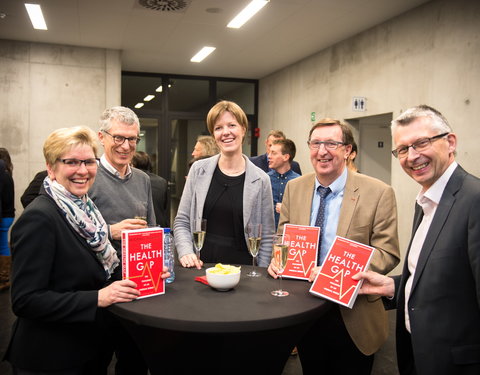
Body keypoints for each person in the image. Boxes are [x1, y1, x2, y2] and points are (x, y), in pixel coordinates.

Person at [4, 126, 170, 374]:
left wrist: (140, 277)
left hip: (86, 349)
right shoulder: (39, 217)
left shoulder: (85, 210)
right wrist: (99, 297)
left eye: (88, 162)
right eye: (71, 162)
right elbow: (26, 300)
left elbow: (94, 270)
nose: (83, 171)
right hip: (50, 358)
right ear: (51, 167)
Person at [352, 105, 480, 375]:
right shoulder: (425, 201)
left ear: (450, 142)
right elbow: (443, 279)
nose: (412, 156)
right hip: (419, 355)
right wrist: (392, 286)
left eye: (421, 143)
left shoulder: (474, 200)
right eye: (402, 149)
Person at [268, 118, 400, 374]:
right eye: (316, 143)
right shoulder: (295, 188)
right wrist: (278, 258)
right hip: (304, 309)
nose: (322, 151)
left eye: (331, 143)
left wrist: (331, 271)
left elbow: (387, 253)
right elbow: (283, 235)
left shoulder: (379, 192)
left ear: (348, 150)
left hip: (353, 314)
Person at [88, 106, 155, 375]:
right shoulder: (86, 176)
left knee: (134, 362)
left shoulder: (142, 180)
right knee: (95, 360)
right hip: (97, 287)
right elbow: (69, 232)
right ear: (101, 137)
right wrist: (110, 230)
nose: (125, 146)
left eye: (132, 139)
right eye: (118, 137)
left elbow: (152, 228)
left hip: (135, 287)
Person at [174, 100, 274, 269]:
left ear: (243, 129)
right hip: (200, 268)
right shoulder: (198, 170)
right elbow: (182, 221)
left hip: (244, 273)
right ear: (213, 135)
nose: (226, 132)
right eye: (218, 128)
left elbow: (267, 236)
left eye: (232, 125)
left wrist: (261, 273)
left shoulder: (261, 179)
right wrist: (185, 252)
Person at [267, 138, 300, 229]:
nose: (269, 156)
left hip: (290, 236)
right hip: (267, 235)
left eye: (273, 153)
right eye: (269, 152)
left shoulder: (299, 182)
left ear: (286, 157)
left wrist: (287, 210)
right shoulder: (264, 180)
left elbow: (304, 213)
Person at [132, 151, 169, 227]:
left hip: (141, 227)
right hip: (161, 225)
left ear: (133, 165)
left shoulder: (133, 181)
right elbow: (165, 206)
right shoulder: (162, 181)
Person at [0, 148, 15, 291]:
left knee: (3, 244)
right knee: (4, 244)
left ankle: (4, 278)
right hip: (8, 215)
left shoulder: (2, 175)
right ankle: (4, 277)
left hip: (3, 215)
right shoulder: (7, 174)